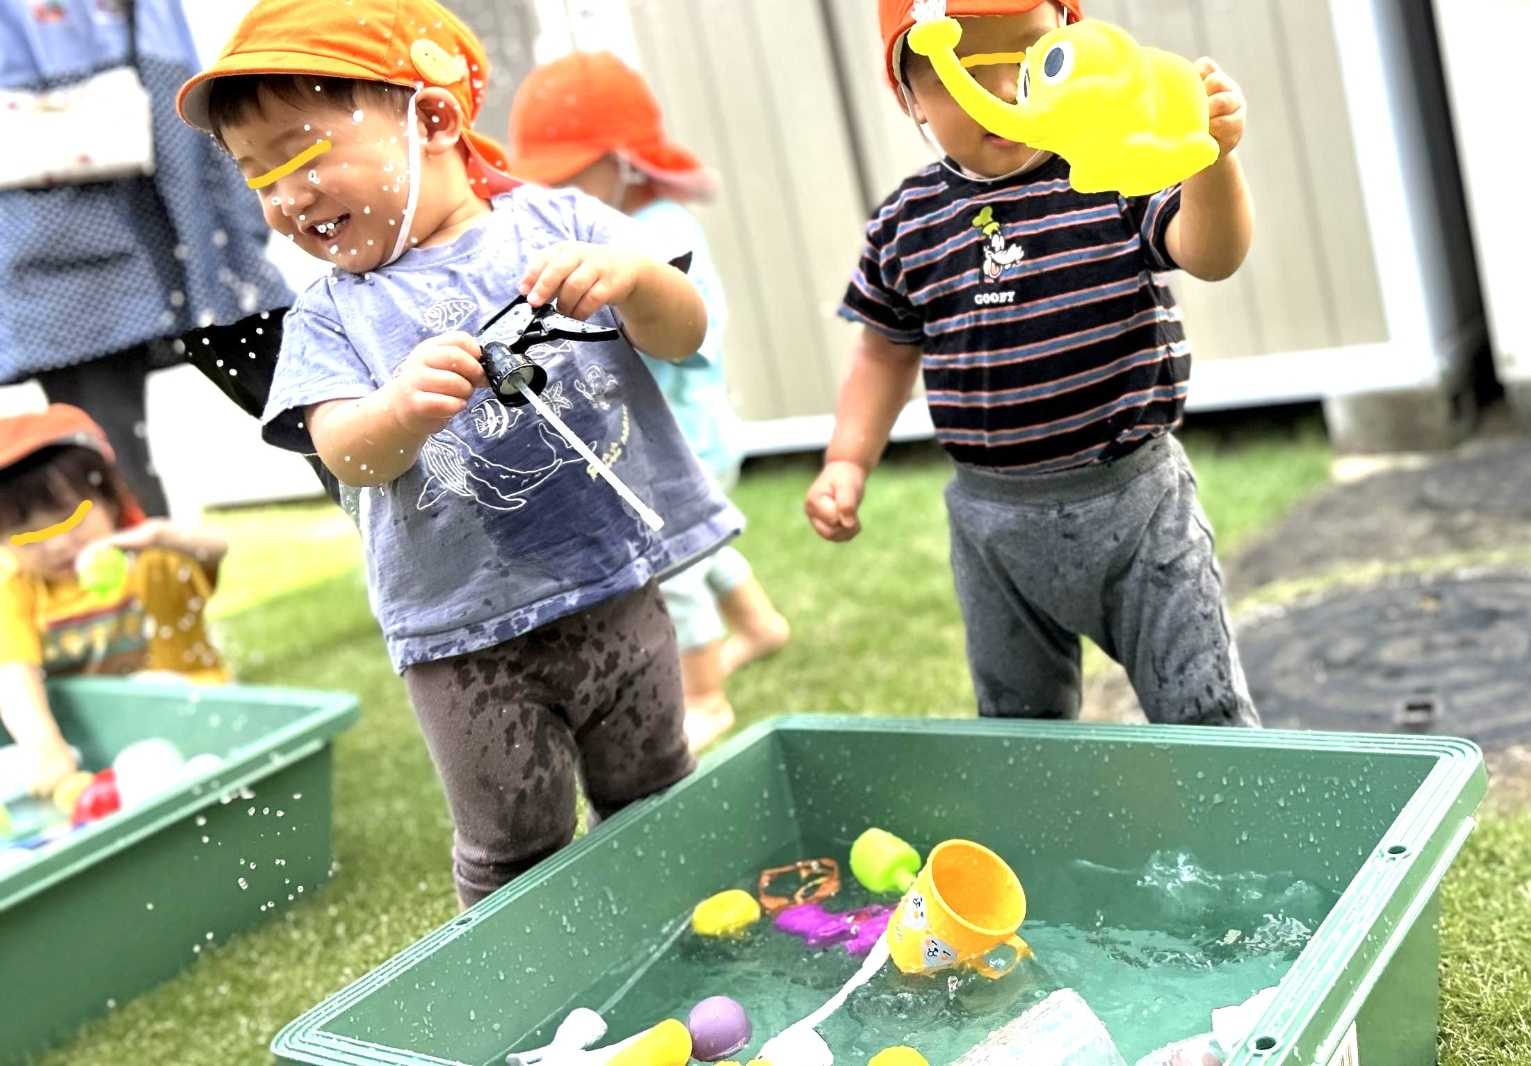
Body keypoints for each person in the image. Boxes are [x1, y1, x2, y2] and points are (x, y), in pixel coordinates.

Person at [174, 0, 742, 906]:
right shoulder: (331, 314)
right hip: (461, 639)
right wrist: (397, 411)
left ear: (433, 118)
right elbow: (345, 453)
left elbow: (682, 336)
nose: (283, 196)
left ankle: (682, 931)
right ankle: (524, 996)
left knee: (656, 788)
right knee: (513, 840)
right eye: (257, 176)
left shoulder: (561, 222)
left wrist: (638, 280)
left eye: (300, 153)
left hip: (614, 587)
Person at [805, 0, 1259, 727]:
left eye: (1032, 58)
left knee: (1198, 703)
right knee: (1020, 723)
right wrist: (847, 459)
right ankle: (1042, 831)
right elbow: (884, 350)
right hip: (994, 523)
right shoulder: (906, 223)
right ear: (911, 95)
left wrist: (1212, 158)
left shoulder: (1111, 166)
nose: (1007, 91)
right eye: (963, 72)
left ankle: (1233, 822)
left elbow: (1211, 253)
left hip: (1136, 503)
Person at [507, 52, 789, 755]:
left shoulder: (660, 230)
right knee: (701, 546)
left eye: (575, 173)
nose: (559, 190)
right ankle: (759, 626)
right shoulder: (601, 227)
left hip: (683, 436)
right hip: (676, 436)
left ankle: (704, 695)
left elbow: (695, 333)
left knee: (671, 564)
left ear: (627, 161)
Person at [0, 0, 292, 517]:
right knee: (107, 451)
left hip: (181, 189)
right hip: (56, 220)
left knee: (307, 393)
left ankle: (432, 536)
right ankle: (144, 591)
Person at [0, 406, 229, 798]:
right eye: (26, 535)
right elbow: (12, 673)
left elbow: (214, 552)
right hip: (98, 745)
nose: (56, 543)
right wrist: (45, 747)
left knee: (152, 694)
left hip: (196, 720)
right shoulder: (20, 590)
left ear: (108, 499)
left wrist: (165, 535)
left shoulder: (149, 562)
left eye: (70, 518)